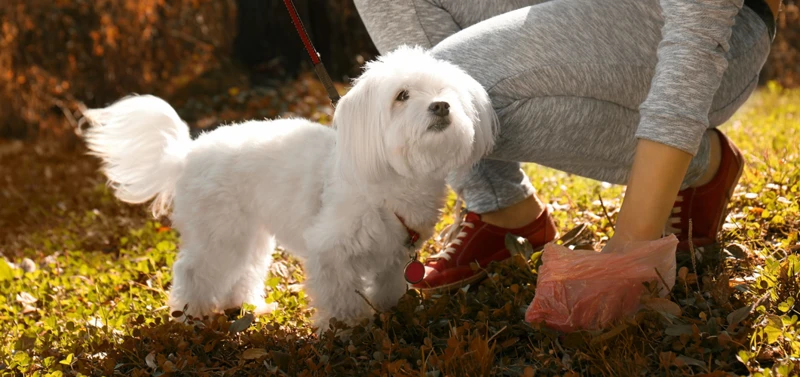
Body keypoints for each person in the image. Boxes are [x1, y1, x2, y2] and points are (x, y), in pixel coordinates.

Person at [352, 0, 779, 292]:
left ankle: (701, 164)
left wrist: (632, 247)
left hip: (710, 26)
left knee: (453, 91)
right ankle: (503, 207)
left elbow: (697, 33)